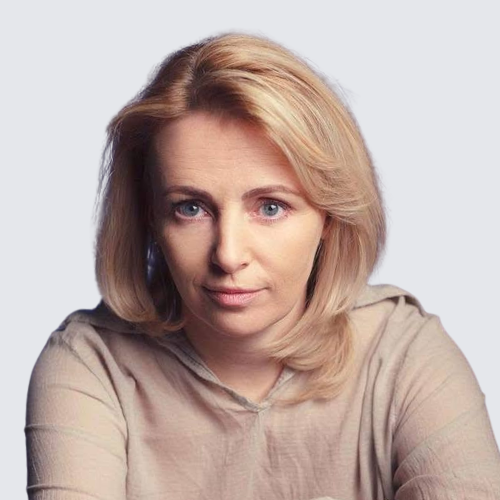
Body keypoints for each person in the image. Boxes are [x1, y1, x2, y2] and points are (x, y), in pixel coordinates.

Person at [25, 33, 500, 500]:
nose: (228, 255)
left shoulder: (402, 353)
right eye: (191, 208)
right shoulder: (92, 364)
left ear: (330, 217)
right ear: (150, 217)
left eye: (270, 207)